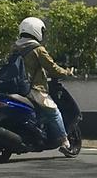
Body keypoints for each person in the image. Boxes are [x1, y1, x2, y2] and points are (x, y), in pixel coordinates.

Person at [9, 15, 76, 155]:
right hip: (34, 89)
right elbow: (52, 67)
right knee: (54, 112)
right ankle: (65, 142)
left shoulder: (14, 47)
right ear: (36, 30)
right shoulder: (37, 49)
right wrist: (66, 72)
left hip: (14, 88)